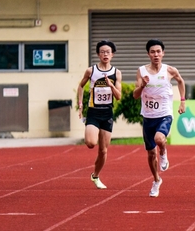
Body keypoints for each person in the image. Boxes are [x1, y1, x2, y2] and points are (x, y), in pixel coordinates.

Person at [133, 39, 186, 197]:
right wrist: (142, 85)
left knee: (159, 139)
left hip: (164, 114)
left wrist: (182, 101)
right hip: (148, 116)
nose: (156, 54)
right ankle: (156, 180)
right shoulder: (141, 71)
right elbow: (135, 95)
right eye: (152, 52)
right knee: (150, 153)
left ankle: (163, 152)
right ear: (148, 54)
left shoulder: (169, 70)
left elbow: (181, 81)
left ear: (163, 53)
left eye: (158, 51)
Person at [76, 40, 122, 189]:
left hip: (107, 113)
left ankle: (95, 175)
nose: (105, 54)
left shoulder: (116, 73)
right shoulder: (91, 71)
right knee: (90, 143)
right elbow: (81, 86)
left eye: (108, 52)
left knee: (103, 151)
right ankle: (95, 174)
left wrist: (111, 86)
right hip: (93, 113)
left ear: (112, 54)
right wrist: (80, 104)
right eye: (102, 52)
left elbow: (118, 96)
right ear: (98, 54)